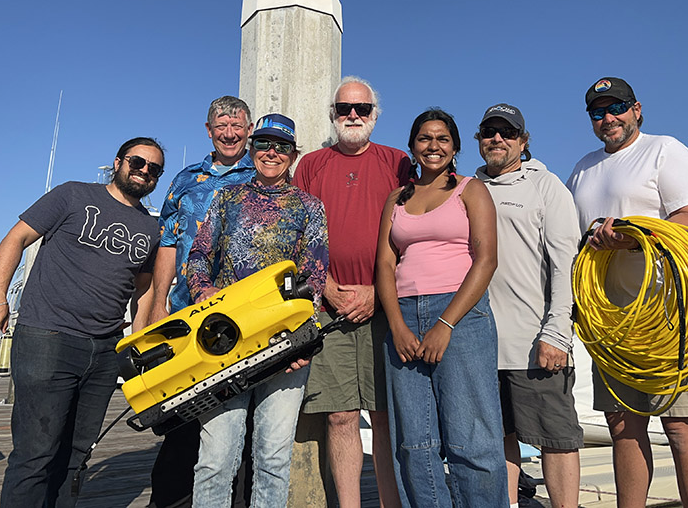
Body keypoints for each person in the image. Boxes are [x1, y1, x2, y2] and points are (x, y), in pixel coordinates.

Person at [0, 137, 164, 507]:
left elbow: (143, 287)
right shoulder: (73, 195)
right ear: (118, 162)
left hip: (105, 350)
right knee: (36, 453)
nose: (144, 171)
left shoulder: (151, 228)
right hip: (48, 337)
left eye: (154, 168)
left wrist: (138, 338)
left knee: (77, 455)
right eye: (137, 162)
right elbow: (16, 238)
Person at [566, 77, 688, 508]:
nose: (608, 118)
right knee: (622, 427)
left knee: (682, 427)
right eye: (598, 112)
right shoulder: (583, 168)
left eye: (617, 107)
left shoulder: (664, 150)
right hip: (610, 322)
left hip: (669, 316)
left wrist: (631, 239)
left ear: (636, 109)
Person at [186, 113, 328, 508]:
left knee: (273, 460)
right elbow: (198, 255)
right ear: (252, 149)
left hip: (284, 346)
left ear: (293, 155)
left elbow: (315, 277)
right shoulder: (226, 198)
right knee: (215, 460)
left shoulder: (310, 207)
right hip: (226, 345)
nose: (272, 152)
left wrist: (301, 341)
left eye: (282, 146)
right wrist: (204, 295)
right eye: (263, 143)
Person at [375, 108, 509, 508]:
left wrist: (445, 324)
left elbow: (486, 260)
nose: (433, 146)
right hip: (403, 317)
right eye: (424, 138)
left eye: (442, 138)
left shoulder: (471, 189)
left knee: (473, 439)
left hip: (460, 316)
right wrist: (397, 326)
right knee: (414, 443)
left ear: (454, 148)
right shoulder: (396, 198)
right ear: (412, 146)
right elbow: (385, 264)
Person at [293, 76, 407, 508]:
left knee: (385, 417)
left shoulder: (398, 162)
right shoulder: (311, 165)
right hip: (329, 308)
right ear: (333, 115)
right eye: (344, 109)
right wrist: (325, 286)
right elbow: (297, 235)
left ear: (375, 114)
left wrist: (379, 293)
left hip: (384, 308)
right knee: (340, 417)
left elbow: (414, 234)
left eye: (362, 108)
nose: (353, 115)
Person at [143, 96, 255, 508]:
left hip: (243, 317)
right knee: (182, 419)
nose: (229, 133)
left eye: (237, 126)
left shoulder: (263, 173)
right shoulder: (186, 179)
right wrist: (157, 305)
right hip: (186, 313)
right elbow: (167, 243)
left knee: (241, 424)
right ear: (208, 131)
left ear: (248, 130)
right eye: (221, 126)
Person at [474, 103, 583, 508]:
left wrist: (557, 331)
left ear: (523, 141)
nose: (497, 139)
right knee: (496, 438)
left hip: (535, 343)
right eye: (489, 132)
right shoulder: (468, 187)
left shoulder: (546, 186)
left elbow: (565, 265)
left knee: (557, 440)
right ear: (479, 139)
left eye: (507, 132)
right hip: (480, 344)